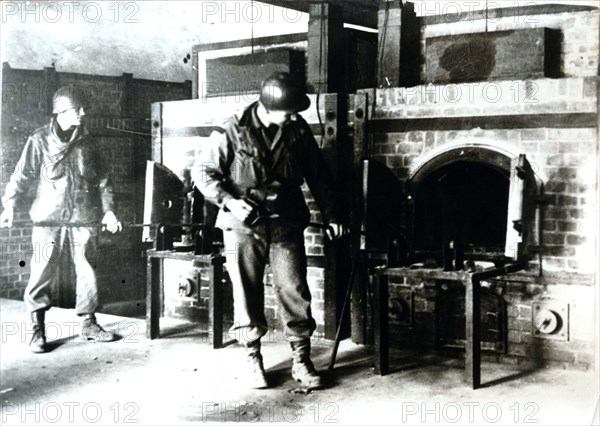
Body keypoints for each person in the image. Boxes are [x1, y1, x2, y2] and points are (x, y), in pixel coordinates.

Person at [192, 71, 345, 389]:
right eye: (288, 112)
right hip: (240, 227)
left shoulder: (297, 129)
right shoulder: (232, 129)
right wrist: (231, 202)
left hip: (285, 223)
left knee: (295, 291)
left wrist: (333, 215)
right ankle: (252, 358)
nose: (294, 117)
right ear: (267, 108)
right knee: (245, 293)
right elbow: (204, 172)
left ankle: (301, 360)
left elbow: (319, 175)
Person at [0, 85, 122, 353]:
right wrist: (8, 206)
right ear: (62, 112)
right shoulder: (39, 140)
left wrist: (109, 210)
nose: (83, 113)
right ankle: (37, 329)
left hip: (83, 216)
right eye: (78, 109)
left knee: (88, 268)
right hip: (48, 220)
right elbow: (21, 175)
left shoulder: (89, 143)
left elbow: (104, 182)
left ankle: (89, 323)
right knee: (42, 269)